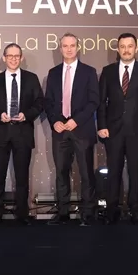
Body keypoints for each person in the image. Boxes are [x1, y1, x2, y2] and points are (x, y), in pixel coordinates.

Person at [96, 33, 138, 225]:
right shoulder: (107, 71)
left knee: (135, 171)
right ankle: (112, 210)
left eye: (130, 46)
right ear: (118, 49)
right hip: (112, 130)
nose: (126, 50)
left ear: (136, 48)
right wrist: (102, 125)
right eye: (122, 46)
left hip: (137, 131)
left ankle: (135, 210)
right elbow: (101, 102)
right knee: (113, 171)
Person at [0, 43, 43, 225]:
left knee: (22, 176)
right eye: (10, 56)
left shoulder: (31, 79)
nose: (13, 59)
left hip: (23, 133)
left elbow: (40, 103)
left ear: (21, 58)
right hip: (1, 133)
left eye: (17, 56)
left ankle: (22, 213)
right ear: (4, 58)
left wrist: (27, 115)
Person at [45, 33, 100, 226]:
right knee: (61, 173)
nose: (69, 49)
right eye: (65, 46)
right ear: (60, 49)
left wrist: (76, 120)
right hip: (60, 131)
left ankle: (88, 213)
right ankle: (63, 213)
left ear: (78, 48)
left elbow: (94, 101)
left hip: (82, 130)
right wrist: (55, 121)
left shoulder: (89, 72)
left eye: (72, 45)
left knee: (86, 173)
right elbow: (49, 102)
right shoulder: (53, 73)